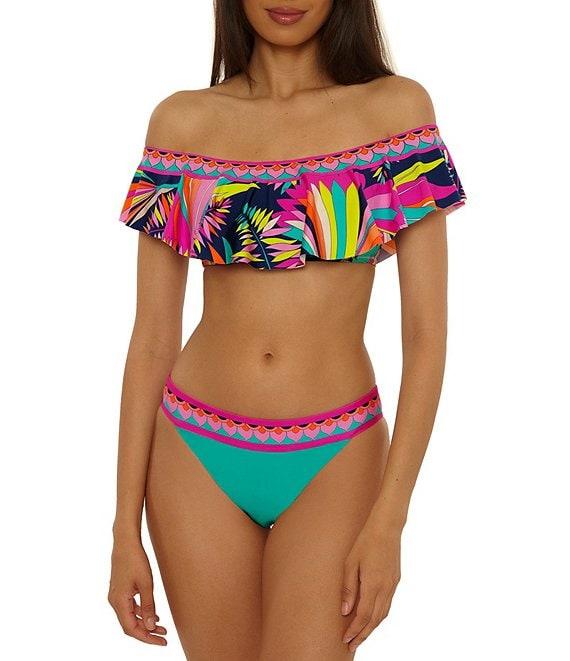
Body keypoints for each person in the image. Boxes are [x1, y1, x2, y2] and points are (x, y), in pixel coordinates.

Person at [108, 1, 467, 658]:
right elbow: (153, 336)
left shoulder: (396, 114)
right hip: (195, 449)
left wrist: (391, 518)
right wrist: (122, 529)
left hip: (336, 452)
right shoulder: (183, 123)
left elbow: (426, 336)